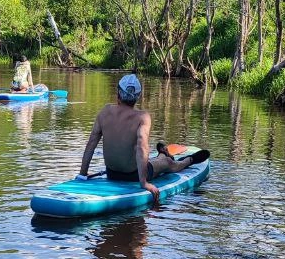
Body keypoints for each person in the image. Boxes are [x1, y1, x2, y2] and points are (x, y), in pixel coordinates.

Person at [77, 73, 209, 205]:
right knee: (169, 165)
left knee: (159, 162)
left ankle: (170, 156)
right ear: (138, 96)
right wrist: (144, 182)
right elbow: (141, 147)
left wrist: (82, 174)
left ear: (118, 92)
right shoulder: (142, 117)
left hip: (112, 173)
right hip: (133, 176)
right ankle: (185, 160)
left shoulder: (105, 111)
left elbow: (91, 144)